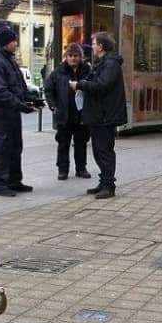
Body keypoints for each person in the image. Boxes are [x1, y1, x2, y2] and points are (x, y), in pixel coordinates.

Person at [0, 26, 43, 197]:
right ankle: (0, 184)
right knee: (2, 148)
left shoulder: (9, 60)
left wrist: (31, 99)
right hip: (2, 112)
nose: (16, 44)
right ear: (6, 42)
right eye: (13, 41)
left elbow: (18, 87)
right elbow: (0, 92)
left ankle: (14, 180)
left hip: (11, 112)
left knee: (15, 147)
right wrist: (20, 105)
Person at [69, 32, 127, 199]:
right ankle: (104, 181)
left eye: (94, 43)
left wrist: (80, 84)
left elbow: (102, 86)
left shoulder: (110, 64)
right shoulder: (103, 63)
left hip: (105, 115)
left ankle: (109, 185)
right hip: (98, 114)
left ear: (101, 46)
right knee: (98, 150)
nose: (92, 46)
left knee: (104, 151)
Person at [44, 43, 92, 180]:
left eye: (75, 56)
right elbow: (48, 89)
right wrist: (53, 106)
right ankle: (62, 169)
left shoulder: (87, 71)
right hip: (64, 113)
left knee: (81, 142)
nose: (72, 59)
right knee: (63, 143)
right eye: (70, 56)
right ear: (66, 57)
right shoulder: (58, 72)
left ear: (80, 57)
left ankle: (81, 168)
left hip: (81, 113)